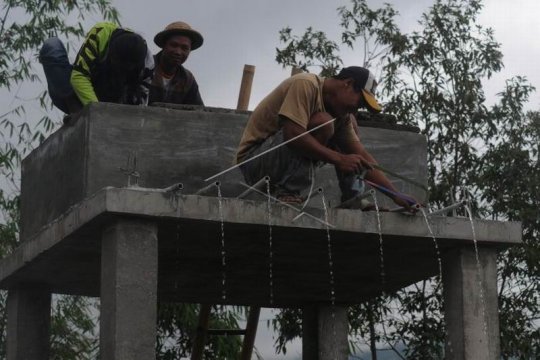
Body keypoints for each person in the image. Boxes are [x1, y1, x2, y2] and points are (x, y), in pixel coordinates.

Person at [235, 66, 418, 210]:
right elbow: (292, 134)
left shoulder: (342, 115)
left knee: (348, 125)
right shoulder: (305, 84)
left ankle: (353, 199)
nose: (356, 109)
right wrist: (339, 159)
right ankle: (287, 192)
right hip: (255, 163)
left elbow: (361, 156)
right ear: (347, 83)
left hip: (276, 165)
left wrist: (395, 195)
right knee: (323, 122)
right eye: (359, 102)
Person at [39, 22, 153, 115]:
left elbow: (141, 105)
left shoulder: (147, 62)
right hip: (79, 97)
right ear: (111, 53)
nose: (119, 69)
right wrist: (98, 113)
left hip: (115, 107)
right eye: (117, 63)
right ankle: (76, 112)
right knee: (52, 45)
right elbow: (79, 76)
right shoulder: (101, 33)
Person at [149, 21, 204, 105]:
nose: (178, 52)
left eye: (184, 48)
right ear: (164, 45)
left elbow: (198, 112)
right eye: (174, 45)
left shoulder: (187, 79)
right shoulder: (145, 66)